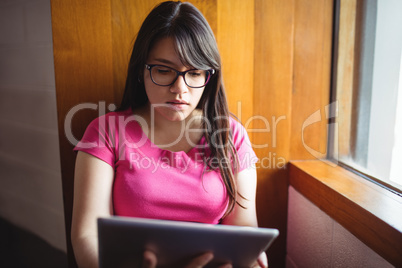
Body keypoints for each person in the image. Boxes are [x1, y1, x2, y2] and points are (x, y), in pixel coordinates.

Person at [71, 1, 268, 267]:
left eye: (195, 73)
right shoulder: (107, 131)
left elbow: (244, 229)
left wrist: (250, 256)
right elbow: (87, 235)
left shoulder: (231, 135)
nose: (179, 89)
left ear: (209, 77)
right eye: (164, 70)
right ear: (141, 70)